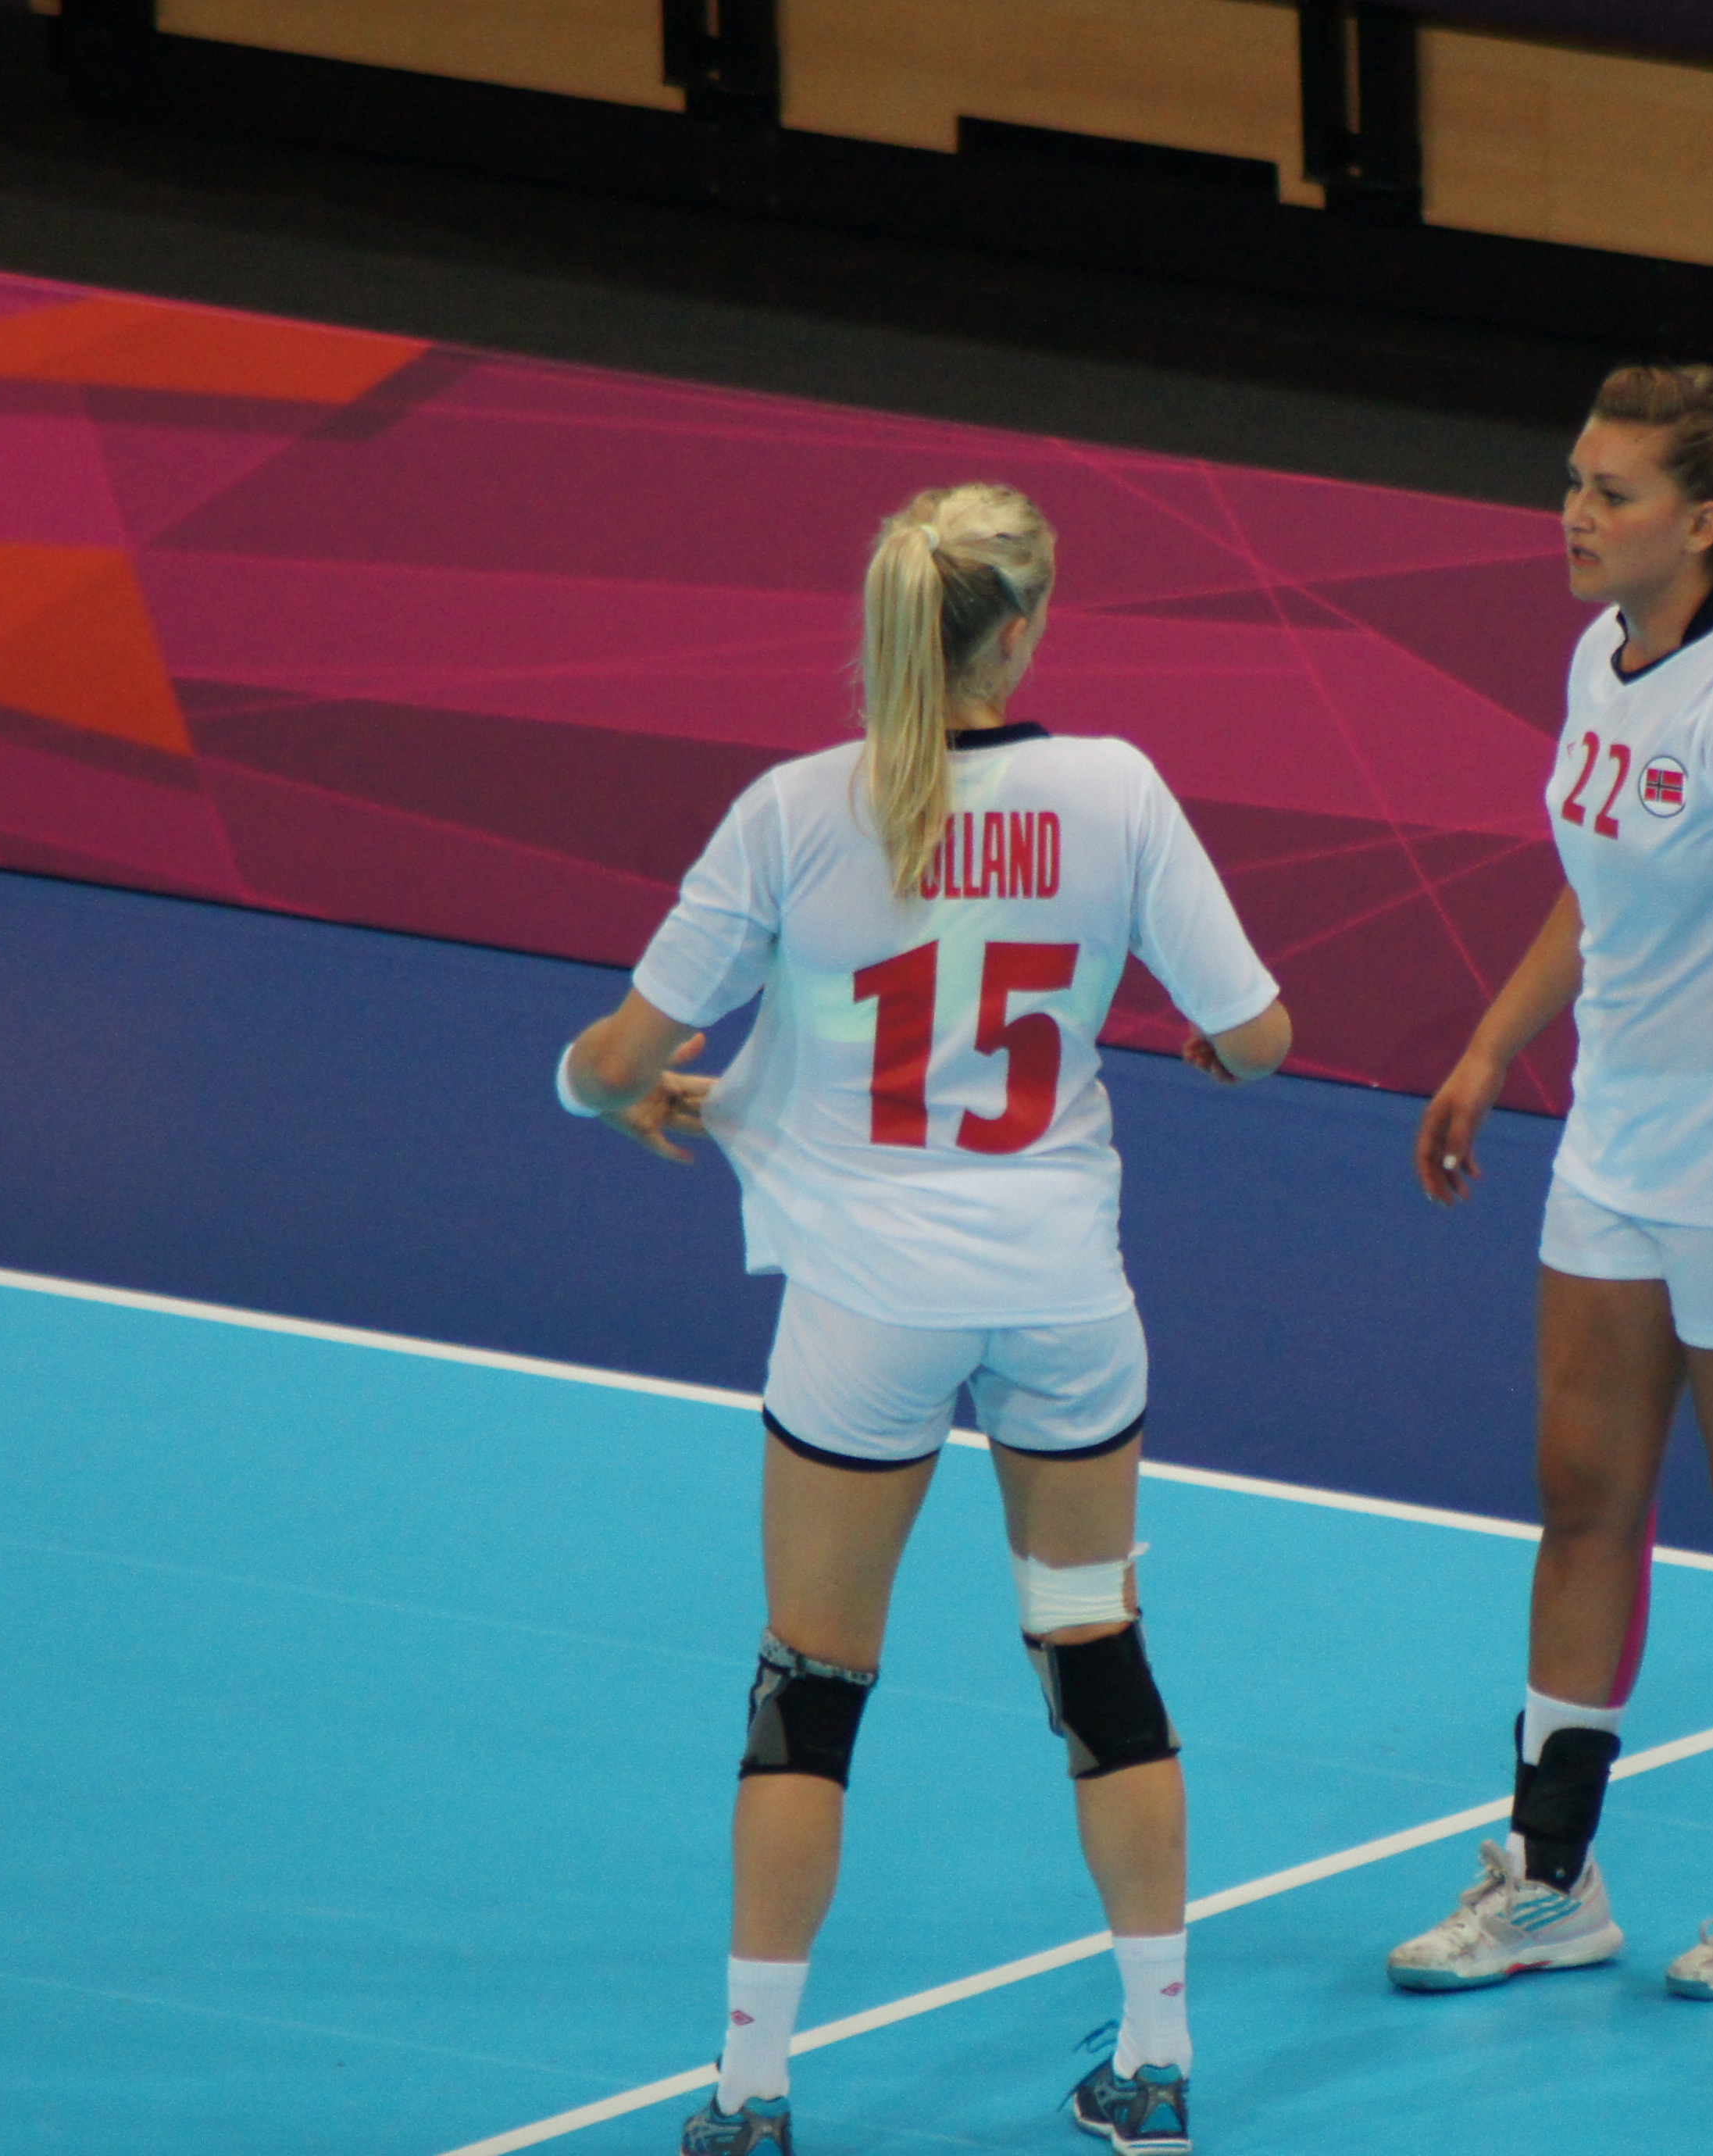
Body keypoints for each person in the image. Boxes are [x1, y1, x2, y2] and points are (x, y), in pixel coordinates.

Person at [558, 483, 1290, 2156]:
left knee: (809, 1690)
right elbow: (1258, 1034)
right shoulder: (1115, 792)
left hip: (866, 1315)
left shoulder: (794, 811)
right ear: (1019, 631)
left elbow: (614, 1063)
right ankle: (1156, 2067)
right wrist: (1203, 1046)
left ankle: (750, 2095)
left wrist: (620, 1094)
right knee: (1096, 1661)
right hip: (1061, 1302)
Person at [1389, 363, 1713, 2003]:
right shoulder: (1599, 661)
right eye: (1572, 480)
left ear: (1700, 523)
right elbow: (1596, 887)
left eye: (1608, 494)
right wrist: (1492, 1047)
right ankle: (1550, 1879)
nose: (1572, 512)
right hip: (1613, 1156)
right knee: (1582, 1502)